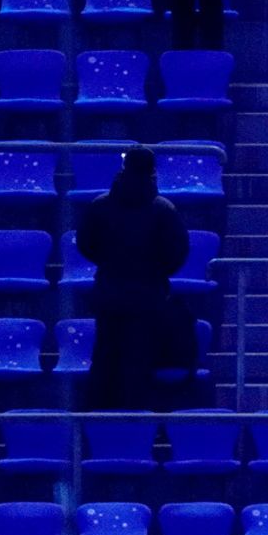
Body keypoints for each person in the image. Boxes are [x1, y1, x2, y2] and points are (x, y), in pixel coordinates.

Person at [76, 146, 191, 411]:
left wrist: (108, 262)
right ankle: (133, 432)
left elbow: (85, 244)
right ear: (152, 171)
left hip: (109, 294)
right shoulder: (163, 210)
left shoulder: (100, 206)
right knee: (137, 364)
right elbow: (178, 252)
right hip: (148, 297)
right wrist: (157, 272)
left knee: (104, 359)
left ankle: (97, 428)